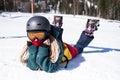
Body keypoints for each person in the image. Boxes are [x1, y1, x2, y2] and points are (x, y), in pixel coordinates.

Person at [20, 16, 99, 73]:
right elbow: (32, 66)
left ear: (47, 33)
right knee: (58, 40)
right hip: (53, 43)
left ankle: (88, 32)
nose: (36, 39)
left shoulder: (56, 47)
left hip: (65, 51)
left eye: (39, 35)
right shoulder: (34, 43)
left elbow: (50, 68)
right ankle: (57, 26)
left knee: (78, 48)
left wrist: (43, 48)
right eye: (32, 36)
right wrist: (32, 50)